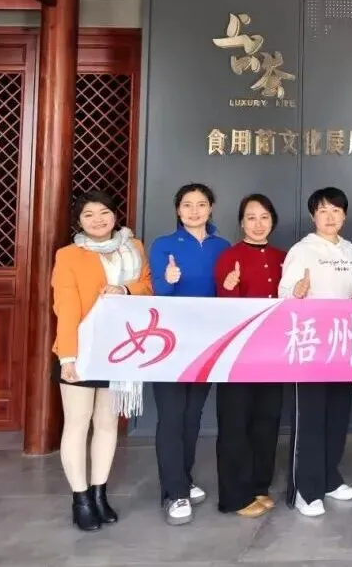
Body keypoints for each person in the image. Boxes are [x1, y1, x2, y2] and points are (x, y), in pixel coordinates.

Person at [52, 190, 152, 531]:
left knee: (108, 424)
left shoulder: (133, 247)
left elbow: (146, 286)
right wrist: (68, 357)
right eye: (89, 214)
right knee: (77, 424)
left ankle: (99, 494)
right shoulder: (68, 255)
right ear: (79, 222)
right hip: (81, 349)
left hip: (120, 349)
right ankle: (80, 499)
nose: (98, 219)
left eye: (104, 212)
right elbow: (65, 307)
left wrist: (125, 290)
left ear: (115, 215)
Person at [148, 182, 231, 525]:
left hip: (206, 343)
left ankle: (182, 478)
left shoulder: (222, 247)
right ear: (177, 210)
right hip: (169, 343)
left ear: (211, 208)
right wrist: (168, 280)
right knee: (171, 415)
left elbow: (226, 296)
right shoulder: (163, 245)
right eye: (187, 204)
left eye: (201, 204)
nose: (194, 211)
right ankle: (175, 493)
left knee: (192, 415)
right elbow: (157, 294)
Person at [279, 187, 352, 517]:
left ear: (344, 215)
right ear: (313, 215)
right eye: (323, 210)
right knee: (310, 418)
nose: (330, 217)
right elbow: (284, 293)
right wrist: (296, 292)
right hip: (311, 345)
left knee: (337, 415)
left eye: (336, 210)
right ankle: (305, 489)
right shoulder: (302, 250)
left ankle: (328, 478)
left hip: (343, 344)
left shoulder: (350, 250)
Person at [212, 194, 286, 518]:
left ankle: (259, 486)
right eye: (251, 217)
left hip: (273, 354)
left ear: (273, 221)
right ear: (242, 223)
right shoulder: (230, 257)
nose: (258, 224)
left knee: (266, 421)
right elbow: (224, 311)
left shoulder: (284, 257)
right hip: (237, 355)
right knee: (235, 424)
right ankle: (234, 497)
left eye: (264, 217)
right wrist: (229, 288)